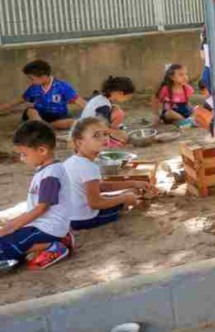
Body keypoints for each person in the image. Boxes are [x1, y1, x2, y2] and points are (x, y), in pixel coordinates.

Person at [1, 121, 74, 269]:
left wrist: (11, 227)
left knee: (4, 246)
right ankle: (47, 243)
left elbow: (41, 208)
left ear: (42, 150)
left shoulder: (51, 175)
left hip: (47, 228)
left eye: (24, 154)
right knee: (9, 239)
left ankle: (54, 245)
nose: (22, 159)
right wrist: (13, 225)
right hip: (41, 226)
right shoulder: (46, 171)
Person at [65, 117, 148, 231]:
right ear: (79, 142)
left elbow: (100, 186)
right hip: (85, 219)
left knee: (127, 193)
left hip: (69, 217)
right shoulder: (89, 166)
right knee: (128, 197)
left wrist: (134, 183)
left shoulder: (71, 162)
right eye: (96, 135)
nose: (104, 138)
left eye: (105, 134)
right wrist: (124, 199)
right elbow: (95, 203)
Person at [0, 60, 86, 131]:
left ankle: (46, 127)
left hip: (58, 117)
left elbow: (80, 102)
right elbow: (17, 101)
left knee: (73, 122)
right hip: (39, 115)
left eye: (32, 79)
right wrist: (2, 107)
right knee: (31, 111)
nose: (30, 82)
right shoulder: (34, 88)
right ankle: (42, 126)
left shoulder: (63, 86)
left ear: (43, 76)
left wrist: (91, 111)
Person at [81, 75, 135, 143]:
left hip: (87, 128)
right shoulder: (104, 106)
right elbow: (99, 126)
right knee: (119, 115)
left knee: (117, 110)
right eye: (127, 97)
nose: (127, 100)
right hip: (88, 133)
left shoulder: (102, 98)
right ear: (120, 93)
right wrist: (116, 132)